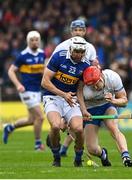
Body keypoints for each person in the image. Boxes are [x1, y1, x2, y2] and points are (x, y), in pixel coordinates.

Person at [41, 36, 105, 167]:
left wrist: (84, 110)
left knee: (78, 129)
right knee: (55, 126)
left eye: (82, 52)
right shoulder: (59, 57)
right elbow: (44, 82)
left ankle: (78, 159)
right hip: (53, 97)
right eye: (76, 51)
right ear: (71, 49)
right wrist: (63, 94)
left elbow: (79, 90)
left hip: (71, 100)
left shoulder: (85, 64)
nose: (79, 54)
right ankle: (56, 156)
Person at [55, 19, 99, 156]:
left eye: (81, 30)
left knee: (78, 122)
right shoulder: (62, 46)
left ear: (85, 31)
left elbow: (93, 68)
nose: (78, 32)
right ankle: (59, 141)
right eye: (75, 30)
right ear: (71, 31)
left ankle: (64, 148)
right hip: (65, 88)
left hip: (81, 88)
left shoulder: (90, 48)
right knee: (67, 124)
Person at [77, 66, 132, 167]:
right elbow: (77, 105)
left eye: (96, 84)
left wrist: (114, 101)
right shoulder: (83, 88)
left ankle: (126, 156)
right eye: (91, 86)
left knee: (113, 127)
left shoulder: (113, 77)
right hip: (91, 111)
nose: (94, 88)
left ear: (101, 77)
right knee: (92, 148)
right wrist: (83, 112)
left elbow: (124, 101)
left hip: (107, 106)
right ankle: (103, 154)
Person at [3, 30, 45, 151]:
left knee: (31, 120)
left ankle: (10, 127)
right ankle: (38, 144)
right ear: (28, 41)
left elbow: (42, 71)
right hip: (26, 91)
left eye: (36, 39)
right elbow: (11, 71)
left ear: (39, 41)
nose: (34, 42)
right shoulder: (23, 56)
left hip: (37, 90)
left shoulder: (42, 54)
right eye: (32, 40)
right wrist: (17, 85)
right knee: (40, 118)